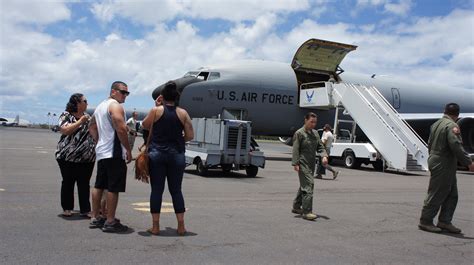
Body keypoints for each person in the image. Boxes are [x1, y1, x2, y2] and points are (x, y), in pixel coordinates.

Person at [142, 81, 194, 235]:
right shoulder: (183, 113)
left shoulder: (156, 111)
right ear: (177, 97)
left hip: (157, 155)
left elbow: (145, 125)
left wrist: (157, 105)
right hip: (176, 155)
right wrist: (177, 140)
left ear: (162, 97)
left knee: (157, 191)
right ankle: (181, 226)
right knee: (176, 191)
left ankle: (156, 226)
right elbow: (190, 135)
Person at [418, 103, 474, 233]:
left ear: (445, 111)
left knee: (451, 194)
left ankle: (445, 221)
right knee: (437, 192)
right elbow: (456, 145)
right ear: (457, 115)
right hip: (443, 163)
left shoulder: (436, 124)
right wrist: (469, 162)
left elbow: (429, 143)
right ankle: (425, 221)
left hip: (438, 160)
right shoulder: (452, 126)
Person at [89, 81, 132, 233]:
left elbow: (92, 126)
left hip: (102, 152)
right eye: (122, 92)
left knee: (99, 185)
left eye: (127, 93)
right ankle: (110, 221)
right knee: (114, 187)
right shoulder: (115, 105)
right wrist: (127, 149)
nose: (125, 95)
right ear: (113, 91)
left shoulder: (101, 106)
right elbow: (120, 129)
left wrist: (99, 141)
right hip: (113, 153)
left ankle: (95, 217)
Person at [55, 93, 96, 217]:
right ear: (77, 103)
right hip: (67, 156)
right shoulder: (66, 115)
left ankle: (85, 209)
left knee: (84, 183)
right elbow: (65, 130)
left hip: (86, 158)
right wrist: (80, 122)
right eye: (85, 101)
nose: (87, 103)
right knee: (68, 182)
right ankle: (67, 208)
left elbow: (94, 132)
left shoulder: (88, 117)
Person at [291, 112, 328, 220]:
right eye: (311, 122)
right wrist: (296, 163)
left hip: (311, 164)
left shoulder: (315, 134)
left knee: (304, 184)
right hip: (302, 164)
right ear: (305, 120)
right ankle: (307, 212)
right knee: (309, 184)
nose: (313, 124)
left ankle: (296, 206)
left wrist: (324, 156)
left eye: (315, 122)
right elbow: (295, 149)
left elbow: (320, 146)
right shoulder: (299, 133)